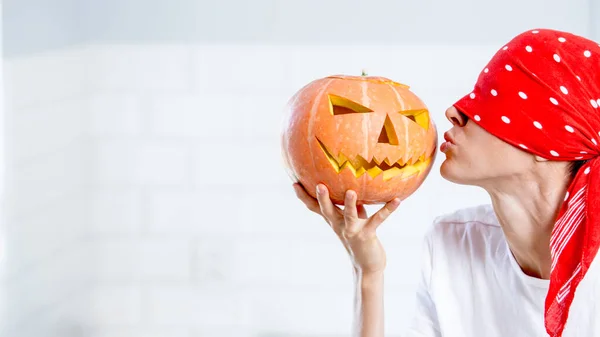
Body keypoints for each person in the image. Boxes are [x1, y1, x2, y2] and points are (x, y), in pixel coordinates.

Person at [293, 28, 600, 337]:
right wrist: (368, 272)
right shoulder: (451, 243)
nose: (454, 112)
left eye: (490, 100)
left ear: (549, 143)